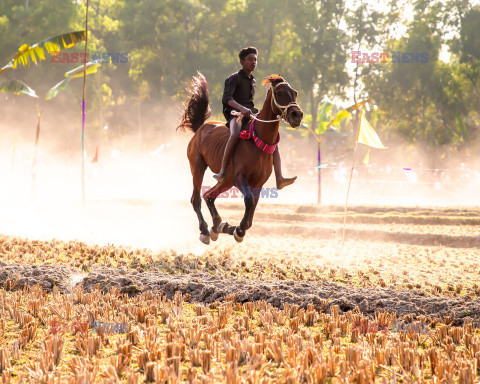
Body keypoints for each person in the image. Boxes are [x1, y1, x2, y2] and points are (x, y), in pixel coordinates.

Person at [214, 46, 296, 190]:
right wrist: (242, 109)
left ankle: (279, 178)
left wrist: (250, 111)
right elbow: (227, 98)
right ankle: (222, 171)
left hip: (250, 114)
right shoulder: (234, 78)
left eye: (255, 60)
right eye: (250, 59)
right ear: (242, 61)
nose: (253, 62)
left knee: (273, 140)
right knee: (234, 134)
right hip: (236, 115)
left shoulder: (253, 80)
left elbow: (249, 103)